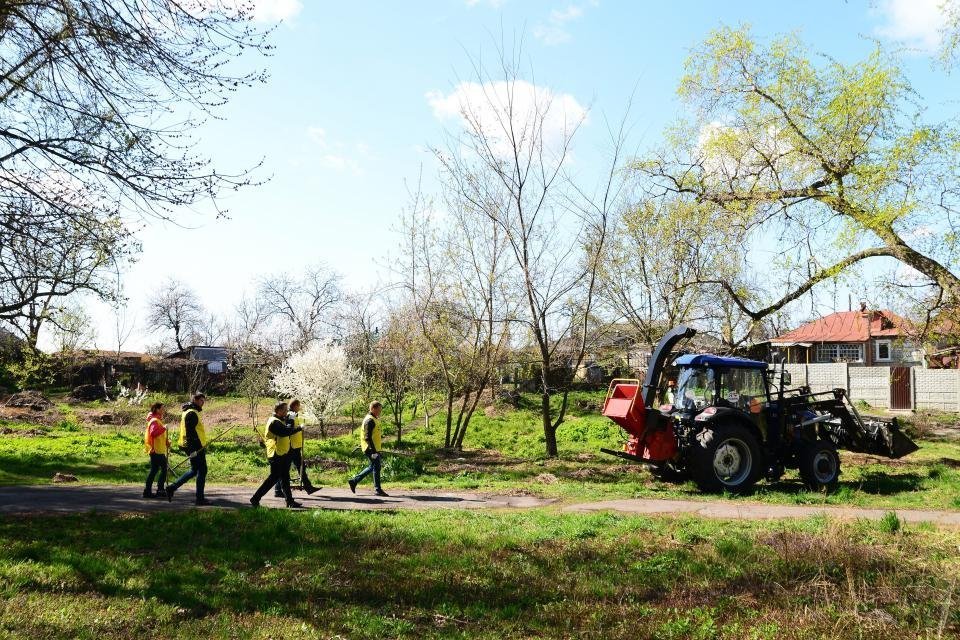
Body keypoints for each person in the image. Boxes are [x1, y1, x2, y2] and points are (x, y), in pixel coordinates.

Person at [251, 401, 304, 508]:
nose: (287, 412)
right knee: (273, 479)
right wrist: (292, 421)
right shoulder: (274, 422)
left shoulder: (280, 420)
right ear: (278, 411)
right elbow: (286, 431)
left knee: (285, 478)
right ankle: (255, 498)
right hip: (276, 454)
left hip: (282, 453)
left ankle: (289, 501)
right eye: (284, 410)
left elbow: (288, 430)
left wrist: (294, 425)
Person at [166, 393, 210, 505]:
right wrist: (192, 450)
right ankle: (199, 499)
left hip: (193, 446)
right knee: (202, 470)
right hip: (194, 447)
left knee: (195, 470)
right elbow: (190, 433)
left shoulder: (188, 411)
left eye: (203, 400)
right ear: (195, 400)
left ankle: (172, 488)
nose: (202, 402)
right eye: (201, 400)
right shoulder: (191, 413)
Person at [274, 399, 318, 497]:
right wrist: (299, 428)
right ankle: (278, 490)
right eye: (299, 405)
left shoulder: (294, 415)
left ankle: (308, 487)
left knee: (300, 467)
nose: (300, 407)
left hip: (295, 446)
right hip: (291, 446)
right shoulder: (291, 415)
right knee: (286, 470)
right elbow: (289, 430)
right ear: (294, 406)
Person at [348, 401, 387, 497]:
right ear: (373, 408)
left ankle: (354, 481)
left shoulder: (374, 418)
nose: (380, 412)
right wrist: (373, 452)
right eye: (378, 410)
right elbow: (367, 437)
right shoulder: (369, 420)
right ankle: (377, 489)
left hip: (374, 449)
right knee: (376, 467)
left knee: (373, 467)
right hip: (370, 449)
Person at [142, 402, 170, 499]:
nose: (163, 410)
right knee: (164, 468)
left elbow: (158, 436)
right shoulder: (154, 421)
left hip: (158, 449)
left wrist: (166, 441)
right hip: (156, 450)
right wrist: (163, 428)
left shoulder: (157, 420)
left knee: (154, 470)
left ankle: (148, 491)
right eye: (162, 408)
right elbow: (153, 433)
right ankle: (160, 489)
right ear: (157, 409)